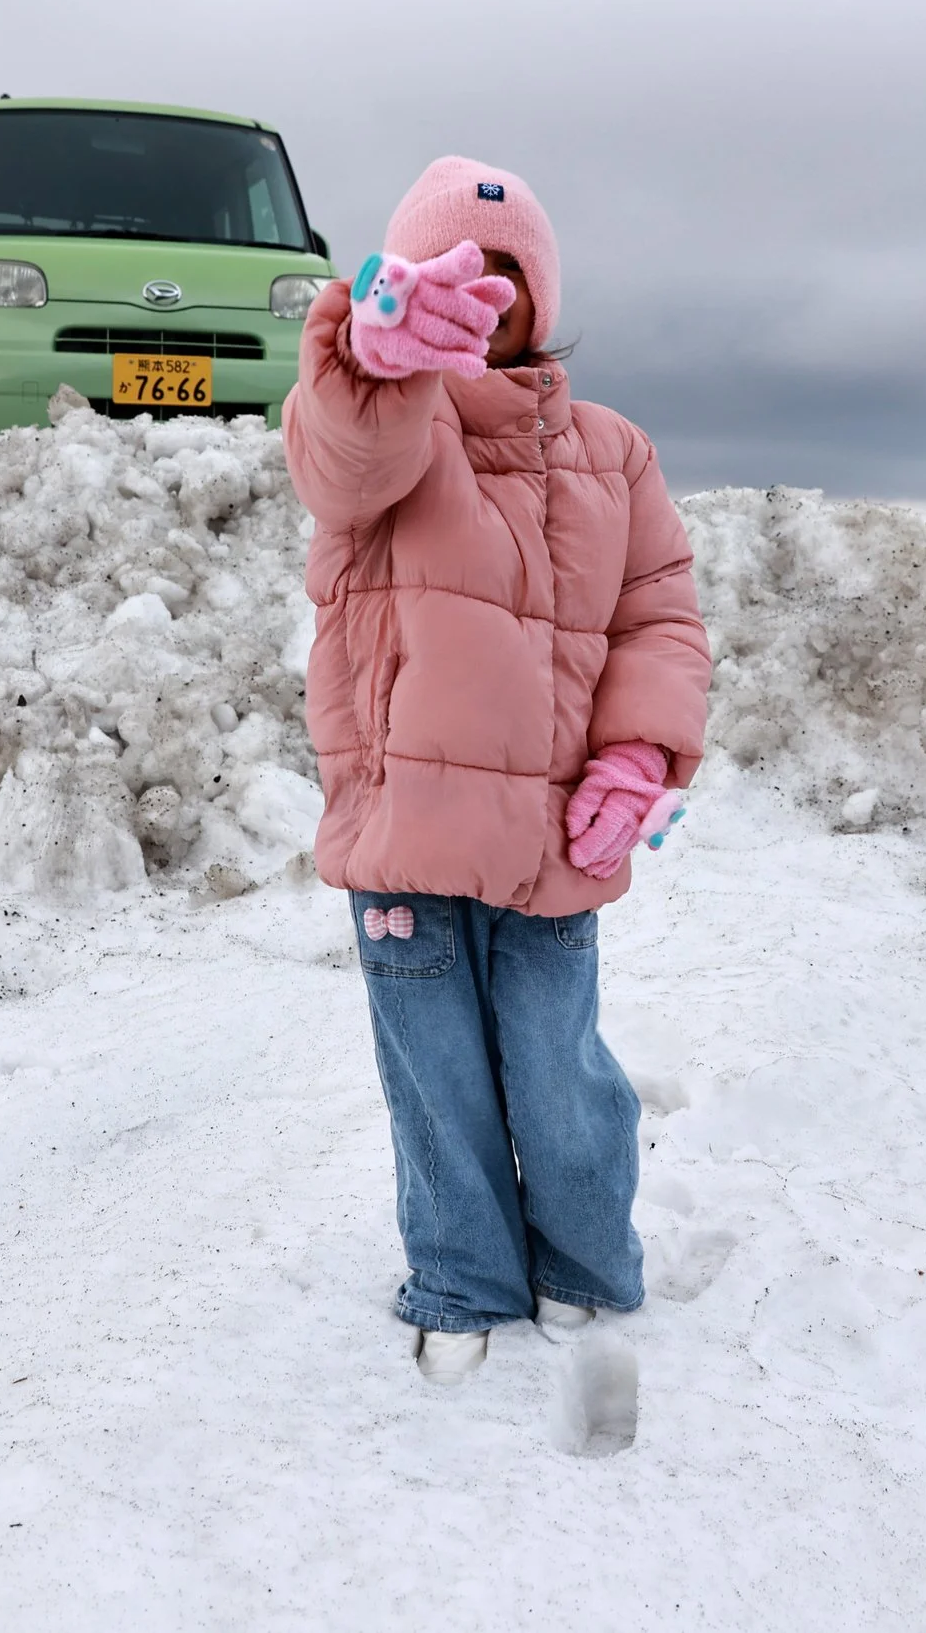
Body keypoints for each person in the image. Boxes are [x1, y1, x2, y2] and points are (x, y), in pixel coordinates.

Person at [282, 158, 713, 1383]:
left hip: (554, 837)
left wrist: (637, 751)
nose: (491, 288)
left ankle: (581, 1260)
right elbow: (339, 461)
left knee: (558, 1070)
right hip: (406, 824)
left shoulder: (615, 453)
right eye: (460, 267)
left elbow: (661, 613)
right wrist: (369, 353)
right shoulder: (389, 424)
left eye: (511, 268)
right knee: (436, 1082)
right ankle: (462, 1275)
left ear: (545, 289)